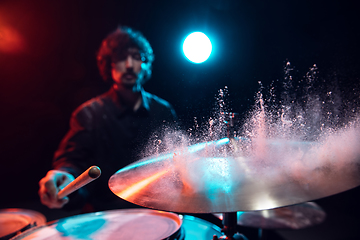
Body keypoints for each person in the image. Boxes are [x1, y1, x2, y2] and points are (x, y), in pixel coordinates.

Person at [38, 26, 177, 212]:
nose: (129, 64)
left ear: (145, 65)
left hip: (157, 210)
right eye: (120, 58)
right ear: (109, 64)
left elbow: (175, 165)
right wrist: (63, 175)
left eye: (136, 57)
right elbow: (72, 161)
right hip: (106, 213)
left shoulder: (163, 111)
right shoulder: (88, 114)